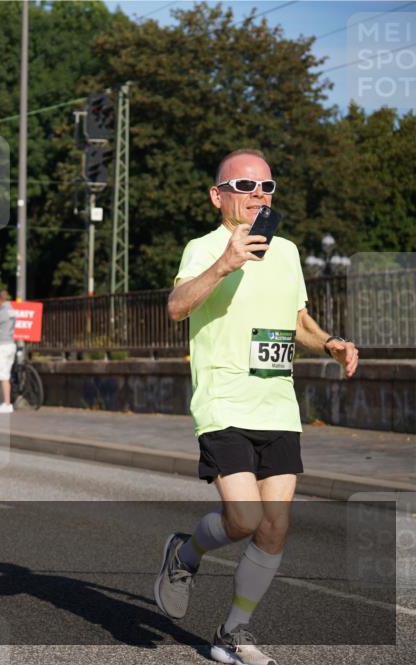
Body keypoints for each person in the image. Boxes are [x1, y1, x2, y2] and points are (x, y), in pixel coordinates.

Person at [154, 149, 359, 665]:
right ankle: (185, 553)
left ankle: (232, 633)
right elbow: (177, 306)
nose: (258, 196)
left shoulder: (286, 253)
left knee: (275, 526)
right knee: (243, 518)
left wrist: (330, 342)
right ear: (218, 195)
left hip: (277, 403)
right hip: (223, 399)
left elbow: (297, 320)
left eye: (266, 187)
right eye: (245, 187)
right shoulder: (202, 247)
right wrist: (225, 263)